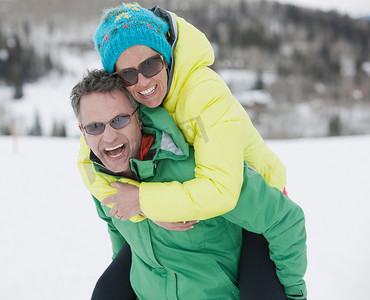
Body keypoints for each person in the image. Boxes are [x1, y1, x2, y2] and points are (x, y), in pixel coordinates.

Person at [71, 69, 307, 300]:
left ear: (139, 119)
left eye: (119, 120)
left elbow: (285, 219)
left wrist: (293, 292)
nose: (109, 137)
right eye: (95, 127)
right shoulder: (101, 177)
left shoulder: (198, 168)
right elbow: (118, 231)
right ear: (83, 132)